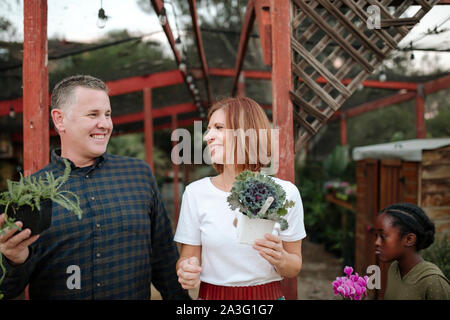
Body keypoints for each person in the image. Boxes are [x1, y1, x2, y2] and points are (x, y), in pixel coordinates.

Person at [0, 75, 190, 300]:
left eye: (107, 114)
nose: (105, 124)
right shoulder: (29, 193)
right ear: (60, 119)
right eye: (93, 114)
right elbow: (8, 290)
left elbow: (165, 261)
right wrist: (12, 259)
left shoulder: (138, 175)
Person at [174, 97, 306, 300]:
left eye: (219, 127)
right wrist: (186, 269)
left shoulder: (285, 193)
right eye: (209, 129)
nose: (208, 136)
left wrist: (281, 258)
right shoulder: (195, 193)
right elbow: (187, 257)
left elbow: (294, 266)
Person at [374, 202, 450, 300]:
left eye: (383, 236)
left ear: (409, 239)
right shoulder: (394, 269)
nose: (376, 242)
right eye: (376, 236)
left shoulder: (433, 281)